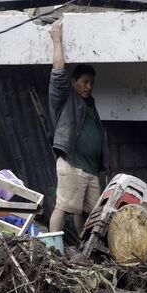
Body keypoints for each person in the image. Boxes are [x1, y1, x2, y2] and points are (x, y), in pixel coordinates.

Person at [47, 19, 109, 236]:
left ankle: (85, 250)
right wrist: (57, 40)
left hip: (91, 170)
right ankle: (53, 248)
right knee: (63, 207)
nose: (88, 86)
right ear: (74, 82)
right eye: (84, 82)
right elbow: (58, 73)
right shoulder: (65, 99)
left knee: (90, 213)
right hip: (73, 165)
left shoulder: (89, 104)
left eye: (91, 82)